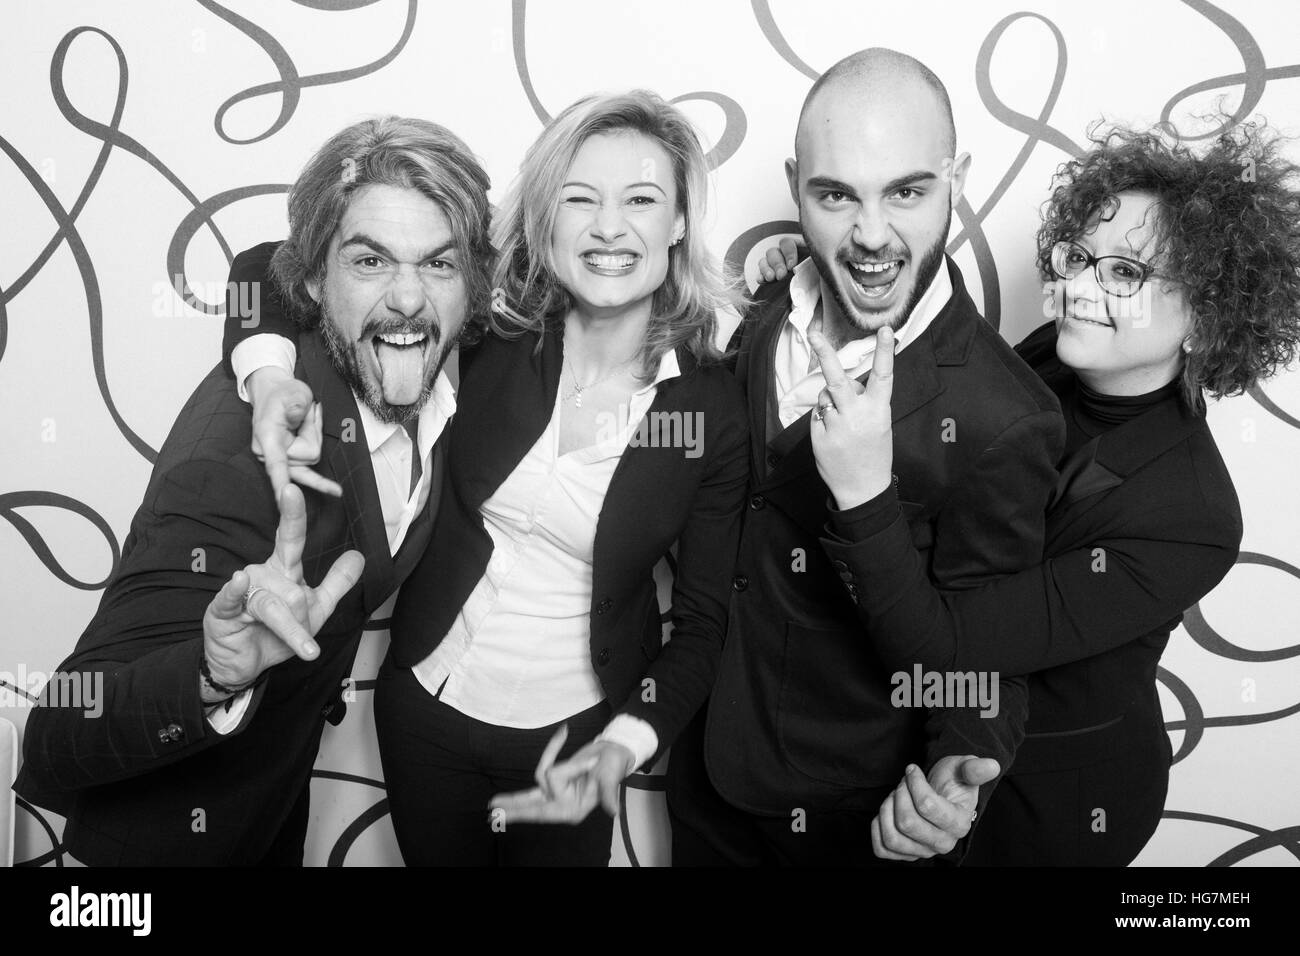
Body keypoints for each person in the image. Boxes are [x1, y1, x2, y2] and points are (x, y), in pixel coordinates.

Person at [222, 90, 750, 865]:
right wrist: (267, 376)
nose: (610, 227)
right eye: (581, 200)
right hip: (424, 713)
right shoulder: (490, 330)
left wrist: (622, 747)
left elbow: (704, 625)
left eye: (641, 199)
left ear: (678, 223)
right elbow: (261, 270)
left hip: (575, 740)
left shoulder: (712, 410)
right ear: (547, 217)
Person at [761, 121, 1300, 865]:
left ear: (1206, 318)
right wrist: (826, 274)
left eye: (1126, 275)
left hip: (1053, 802)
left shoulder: (1193, 516)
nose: (1079, 287)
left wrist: (863, 496)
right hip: (936, 739)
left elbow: (953, 641)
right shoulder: (1053, 352)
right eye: (1079, 257)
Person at [14, 116, 494, 865]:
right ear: (310, 282)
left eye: (438, 265)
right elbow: (58, 734)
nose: (407, 298)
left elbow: (262, 259)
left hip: (268, 809)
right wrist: (210, 674)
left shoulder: (426, 360)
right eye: (369, 261)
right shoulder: (231, 472)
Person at [663, 47, 1066, 866]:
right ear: (796, 186)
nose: (872, 235)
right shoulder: (775, 299)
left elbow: (990, 654)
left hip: (840, 813)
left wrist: (962, 775)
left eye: (908, 191)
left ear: (958, 181)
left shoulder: (1005, 416)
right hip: (703, 767)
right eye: (837, 195)